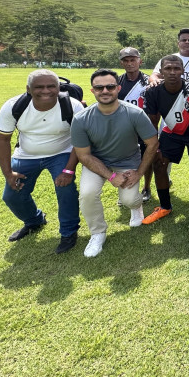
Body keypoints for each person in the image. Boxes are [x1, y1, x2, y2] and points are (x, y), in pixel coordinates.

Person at [0, 70, 85, 254]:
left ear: (58, 87)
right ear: (28, 89)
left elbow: (81, 140)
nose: (46, 91)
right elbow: (3, 140)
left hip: (62, 152)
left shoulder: (71, 105)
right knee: (11, 195)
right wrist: (8, 173)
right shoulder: (14, 106)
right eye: (39, 87)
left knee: (65, 189)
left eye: (51, 86)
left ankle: (69, 232)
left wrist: (68, 170)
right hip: (26, 155)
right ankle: (34, 220)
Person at [71, 69, 159, 258]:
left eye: (110, 86)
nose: (105, 90)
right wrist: (111, 176)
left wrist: (139, 173)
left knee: (128, 199)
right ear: (92, 90)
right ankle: (97, 233)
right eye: (99, 87)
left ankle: (136, 208)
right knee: (87, 194)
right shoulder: (81, 119)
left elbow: (152, 144)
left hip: (127, 160)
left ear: (118, 88)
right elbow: (84, 156)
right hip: (97, 162)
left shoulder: (135, 113)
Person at [143, 56, 189, 226]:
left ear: (183, 71)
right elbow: (152, 122)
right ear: (161, 72)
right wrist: (155, 147)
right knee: (159, 164)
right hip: (170, 131)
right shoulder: (153, 91)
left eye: (177, 69)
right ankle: (165, 206)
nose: (173, 72)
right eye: (168, 69)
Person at [117, 47, 153, 201]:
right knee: (124, 158)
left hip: (144, 127)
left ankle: (146, 187)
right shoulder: (116, 82)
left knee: (147, 157)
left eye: (133, 59)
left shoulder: (149, 81)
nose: (130, 63)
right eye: (126, 60)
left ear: (140, 61)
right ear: (121, 63)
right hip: (123, 127)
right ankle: (124, 187)